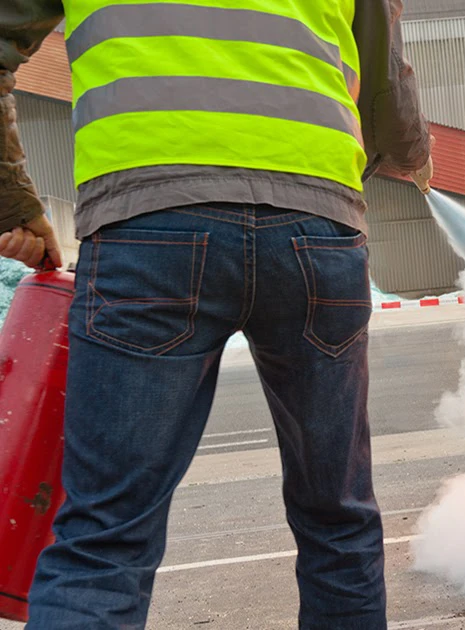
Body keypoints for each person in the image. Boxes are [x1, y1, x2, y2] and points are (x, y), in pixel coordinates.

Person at [0, 1, 434, 627]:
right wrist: (411, 155)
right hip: (316, 229)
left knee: (106, 535)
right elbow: (387, 80)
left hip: (148, 223)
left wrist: (12, 200)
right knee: (338, 518)